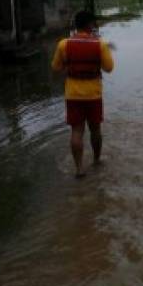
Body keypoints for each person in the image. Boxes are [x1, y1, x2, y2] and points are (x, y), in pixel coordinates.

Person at [51, 10, 114, 178]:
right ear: (89, 25)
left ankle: (79, 169)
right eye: (93, 24)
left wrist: (69, 65)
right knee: (95, 130)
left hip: (73, 95)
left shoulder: (64, 44)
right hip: (93, 94)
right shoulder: (99, 44)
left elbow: (56, 68)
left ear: (76, 25)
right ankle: (96, 160)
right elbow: (109, 68)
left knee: (76, 132)